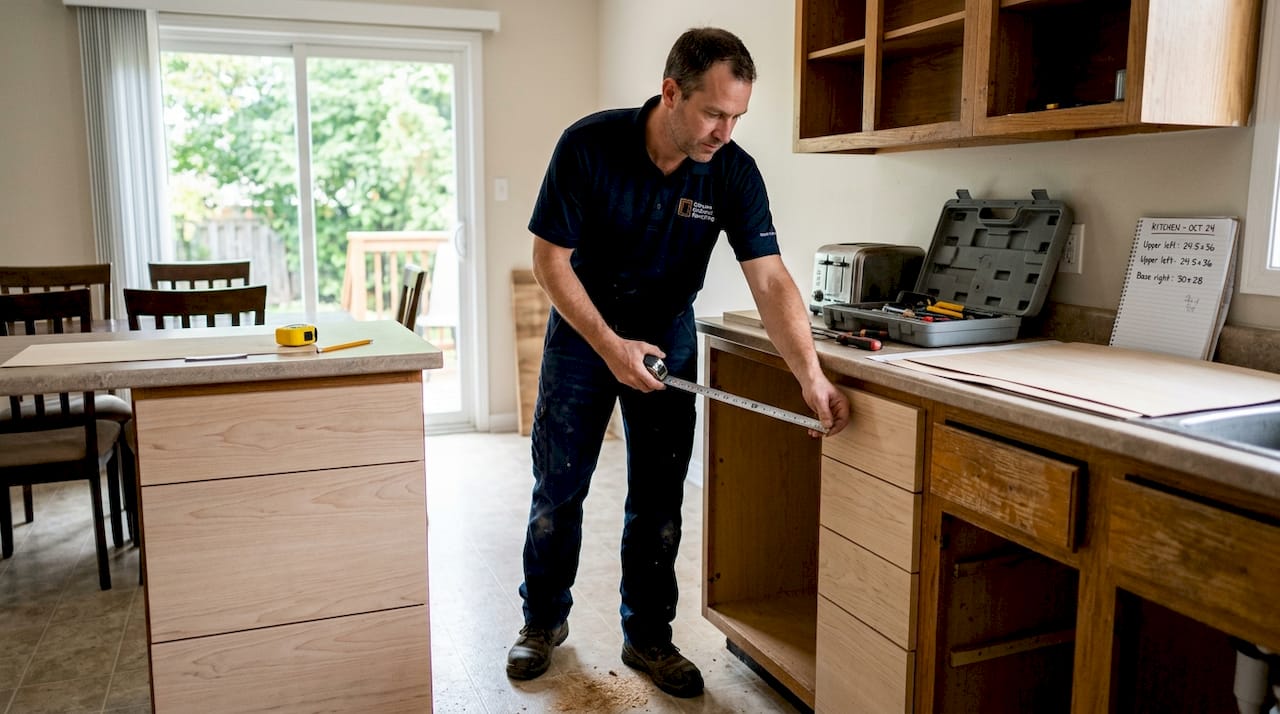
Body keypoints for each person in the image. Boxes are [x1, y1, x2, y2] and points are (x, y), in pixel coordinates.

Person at [507, 27, 851, 698]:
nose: (725, 130)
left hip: (667, 334)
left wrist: (809, 374)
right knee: (560, 487)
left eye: (737, 116)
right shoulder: (589, 146)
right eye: (714, 112)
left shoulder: (730, 171)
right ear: (671, 93)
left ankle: (649, 636)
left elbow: (772, 280)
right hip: (584, 334)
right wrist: (609, 345)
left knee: (659, 496)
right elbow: (548, 261)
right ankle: (541, 622)